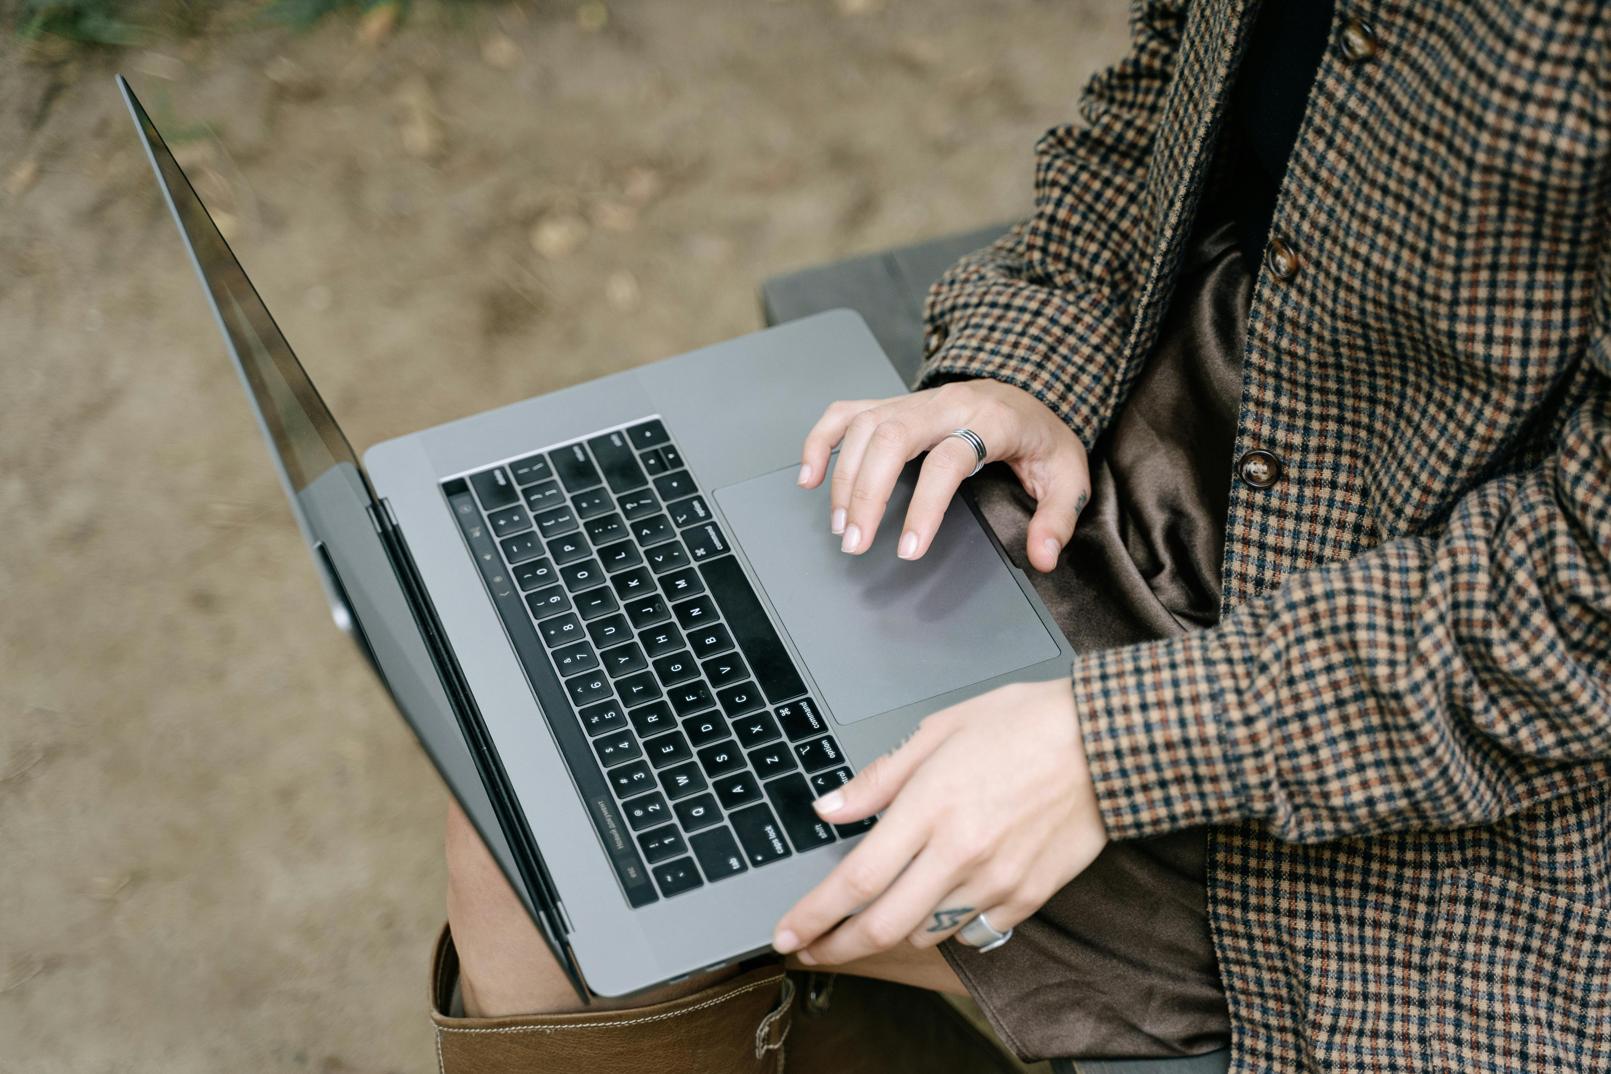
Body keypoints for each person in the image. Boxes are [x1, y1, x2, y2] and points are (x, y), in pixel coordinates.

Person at [430, 2, 1611, 1071]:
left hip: (1403, 728)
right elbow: (1166, 81)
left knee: (578, 868)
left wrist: (1114, 748)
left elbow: (1582, 604)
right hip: (1136, 456)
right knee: (531, 782)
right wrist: (1026, 363)